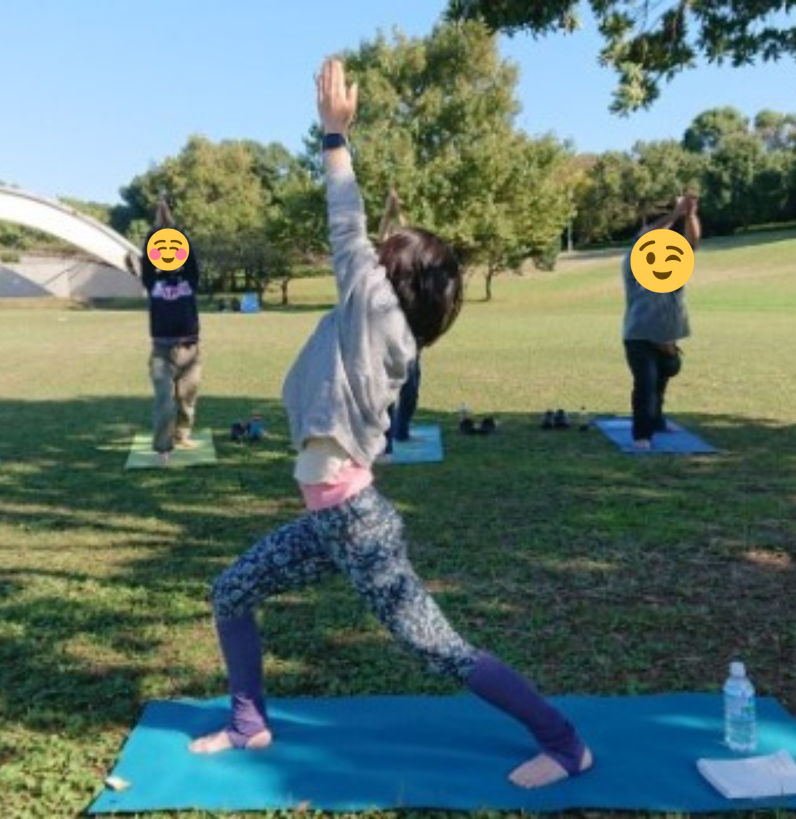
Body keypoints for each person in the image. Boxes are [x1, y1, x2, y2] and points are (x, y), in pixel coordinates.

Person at [188, 58, 593, 790]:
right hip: (329, 521)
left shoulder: (375, 314)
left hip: (356, 523)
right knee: (232, 591)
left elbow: (347, 225)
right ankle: (248, 719)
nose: (369, 258)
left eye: (382, 258)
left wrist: (334, 137)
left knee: (439, 647)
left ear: (392, 278)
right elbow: (359, 247)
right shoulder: (377, 322)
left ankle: (565, 743)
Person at [622, 194, 700, 450]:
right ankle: (641, 435)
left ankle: (656, 422)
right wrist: (675, 213)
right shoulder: (637, 256)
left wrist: (689, 215)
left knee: (661, 381)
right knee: (645, 384)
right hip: (640, 334)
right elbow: (648, 236)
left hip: (667, 335)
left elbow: (693, 242)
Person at [139, 199, 202, 465]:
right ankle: (163, 448)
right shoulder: (152, 281)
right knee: (165, 402)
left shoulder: (190, 279)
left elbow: (190, 259)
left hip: (190, 349)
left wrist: (174, 229)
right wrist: (157, 228)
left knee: (187, 399)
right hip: (162, 351)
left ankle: (182, 433)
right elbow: (146, 260)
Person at [379, 188, 422, 458]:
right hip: (386, 333)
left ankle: (401, 430)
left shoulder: (413, 264)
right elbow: (383, 233)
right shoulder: (381, 265)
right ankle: (386, 442)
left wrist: (398, 211)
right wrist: (389, 208)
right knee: (388, 389)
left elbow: (410, 237)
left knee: (412, 387)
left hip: (412, 333)